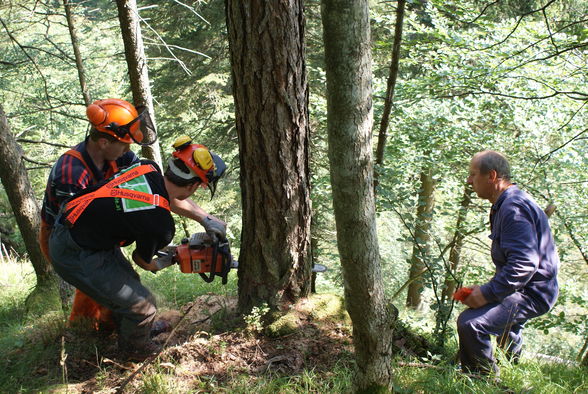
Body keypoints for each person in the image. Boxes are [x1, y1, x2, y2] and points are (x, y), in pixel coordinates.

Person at [48, 138, 227, 360]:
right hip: (75, 254)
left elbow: (162, 199)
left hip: (75, 230)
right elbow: (143, 260)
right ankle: (134, 351)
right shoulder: (160, 226)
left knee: (131, 284)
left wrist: (205, 219)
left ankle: (124, 331)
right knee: (143, 306)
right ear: (192, 186)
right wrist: (170, 258)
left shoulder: (146, 167)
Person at [457, 150, 559, 375]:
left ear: (492, 175)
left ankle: (482, 382)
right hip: (527, 287)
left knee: (471, 324)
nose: (469, 180)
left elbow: (524, 263)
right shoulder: (508, 202)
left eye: (473, 174)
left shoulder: (513, 208)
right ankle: (509, 369)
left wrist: (486, 293)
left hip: (533, 292)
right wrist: (488, 291)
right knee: (505, 324)